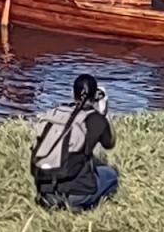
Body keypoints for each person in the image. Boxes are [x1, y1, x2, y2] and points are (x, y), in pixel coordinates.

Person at [31, 74, 116, 211]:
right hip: (77, 195)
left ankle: (56, 201)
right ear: (95, 96)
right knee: (111, 174)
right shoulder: (95, 119)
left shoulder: (54, 114)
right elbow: (110, 143)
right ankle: (84, 206)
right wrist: (105, 113)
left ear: (72, 94)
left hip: (44, 192)